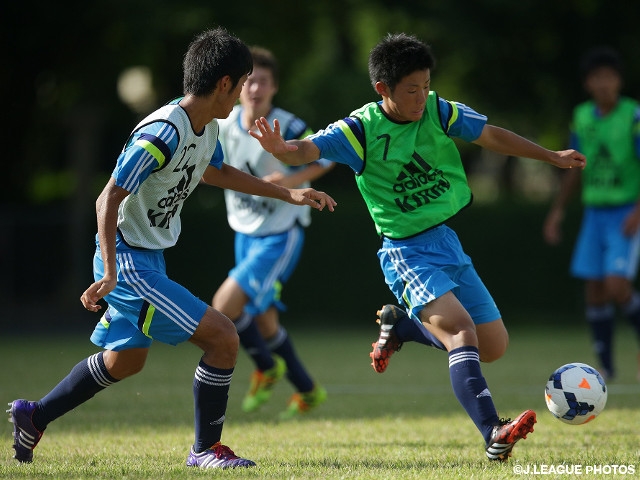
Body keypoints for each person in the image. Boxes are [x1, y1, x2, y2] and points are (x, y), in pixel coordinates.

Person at [7, 27, 336, 469]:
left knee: (125, 361)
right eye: (240, 85)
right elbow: (108, 198)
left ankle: (34, 416)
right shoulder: (163, 133)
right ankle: (205, 450)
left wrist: (288, 194)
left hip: (146, 257)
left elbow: (217, 172)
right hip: (128, 263)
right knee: (223, 337)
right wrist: (108, 271)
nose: (243, 94)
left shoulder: (206, 128)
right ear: (224, 84)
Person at [249, 32, 586, 461]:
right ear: (382, 89)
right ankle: (493, 433)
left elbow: (489, 136)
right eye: (412, 90)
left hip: (446, 241)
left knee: (494, 346)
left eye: (425, 86)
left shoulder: (438, 111)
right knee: (462, 333)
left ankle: (404, 327)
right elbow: (308, 150)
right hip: (405, 253)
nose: (422, 97)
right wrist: (281, 149)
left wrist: (550, 156)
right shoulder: (360, 130)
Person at [212, 46, 333, 419]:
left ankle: (265, 368)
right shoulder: (225, 123)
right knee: (264, 322)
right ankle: (308, 390)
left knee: (223, 309)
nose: (254, 88)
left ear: (274, 87)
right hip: (244, 232)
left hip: (280, 234)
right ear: (237, 85)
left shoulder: (289, 125)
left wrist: (291, 179)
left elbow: (327, 157)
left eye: (262, 81)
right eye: (248, 80)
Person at [543, 46, 640, 382]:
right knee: (594, 289)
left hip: (625, 210)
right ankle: (606, 366)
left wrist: (638, 211)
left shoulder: (633, 115)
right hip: (594, 214)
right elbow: (574, 169)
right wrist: (557, 212)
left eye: (609, 77)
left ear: (619, 80)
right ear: (588, 83)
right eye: (597, 77)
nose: (604, 84)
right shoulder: (582, 117)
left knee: (616, 285)